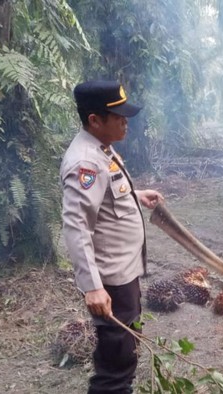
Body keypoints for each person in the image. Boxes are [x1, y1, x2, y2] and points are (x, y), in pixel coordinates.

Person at [60, 80, 164, 393]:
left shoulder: (101, 148)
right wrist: (92, 287)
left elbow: (108, 195)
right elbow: (77, 225)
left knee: (124, 353)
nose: (125, 121)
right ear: (94, 119)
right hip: (111, 281)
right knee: (116, 367)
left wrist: (135, 194)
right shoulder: (85, 162)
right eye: (117, 116)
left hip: (123, 273)